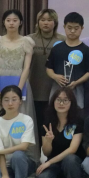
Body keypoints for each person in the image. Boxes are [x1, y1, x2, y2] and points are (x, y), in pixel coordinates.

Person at [0, 10, 39, 169]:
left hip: (20, 85)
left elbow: (26, 68)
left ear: (20, 22)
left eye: (15, 20)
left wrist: (18, 91)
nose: (11, 23)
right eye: (8, 20)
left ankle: (19, 163)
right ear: (4, 22)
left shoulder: (27, 42)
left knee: (18, 124)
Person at [35, 87, 85, 178]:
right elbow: (46, 152)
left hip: (73, 163)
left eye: (65, 100)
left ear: (71, 103)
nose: (61, 103)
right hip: (55, 163)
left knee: (70, 159)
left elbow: (72, 149)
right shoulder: (47, 122)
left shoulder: (77, 121)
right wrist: (48, 141)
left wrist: (48, 163)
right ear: (53, 102)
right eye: (58, 100)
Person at [0, 85, 37, 178]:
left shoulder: (26, 120)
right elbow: (0, 154)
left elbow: (24, 146)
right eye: (6, 100)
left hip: (24, 162)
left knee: (18, 155)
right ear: (1, 102)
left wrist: (0, 151)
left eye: (14, 99)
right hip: (4, 165)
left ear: (20, 101)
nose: (10, 103)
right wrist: (5, 175)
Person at [45, 12, 89, 110]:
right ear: (64, 27)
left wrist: (77, 82)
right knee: (55, 111)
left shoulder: (86, 50)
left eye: (76, 28)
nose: (72, 31)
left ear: (82, 28)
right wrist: (55, 76)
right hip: (57, 87)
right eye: (69, 28)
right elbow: (48, 68)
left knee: (76, 112)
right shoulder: (57, 48)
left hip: (77, 89)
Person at [29, 9, 66, 137]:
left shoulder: (63, 40)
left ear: (55, 23)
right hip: (33, 87)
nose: (46, 23)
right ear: (38, 22)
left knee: (51, 124)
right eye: (42, 20)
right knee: (35, 124)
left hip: (54, 88)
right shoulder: (29, 39)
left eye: (49, 20)